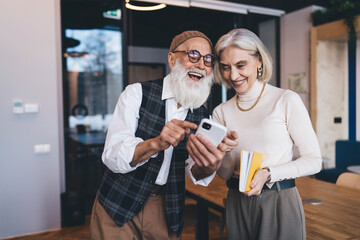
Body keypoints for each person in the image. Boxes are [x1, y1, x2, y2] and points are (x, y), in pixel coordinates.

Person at [90, 30, 237, 240]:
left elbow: (194, 172)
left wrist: (210, 165)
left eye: (207, 60)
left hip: (166, 208)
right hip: (117, 204)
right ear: (171, 58)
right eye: (193, 55)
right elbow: (112, 157)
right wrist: (156, 143)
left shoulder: (203, 115)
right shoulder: (136, 94)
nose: (201, 65)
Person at [211, 28, 322, 240]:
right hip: (236, 199)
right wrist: (223, 153)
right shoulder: (221, 112)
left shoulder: (285, 100)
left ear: (259, 61)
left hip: (279, 199)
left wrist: (269, 173)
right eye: (226, 67)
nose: (233, 75)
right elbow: (225, 174)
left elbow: (314, 161)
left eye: (241, 65)